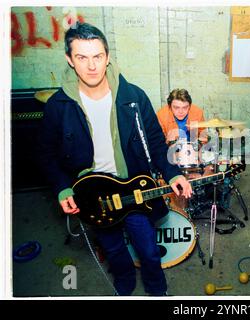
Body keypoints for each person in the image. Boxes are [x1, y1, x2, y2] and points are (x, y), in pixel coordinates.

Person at [39, 22, 192, 296]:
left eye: (97, 56)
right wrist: (62, 186)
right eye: (82, 57)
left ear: (107, 56)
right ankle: (124, 283)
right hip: (93, 194)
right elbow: (48, 154)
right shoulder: (57, 106)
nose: (91, 66)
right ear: (69, 60)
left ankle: (157, 289)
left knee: (147, 249)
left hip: (133, 188)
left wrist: (173, 173)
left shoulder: (134, 96)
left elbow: (156, 143)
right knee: (112, 247)